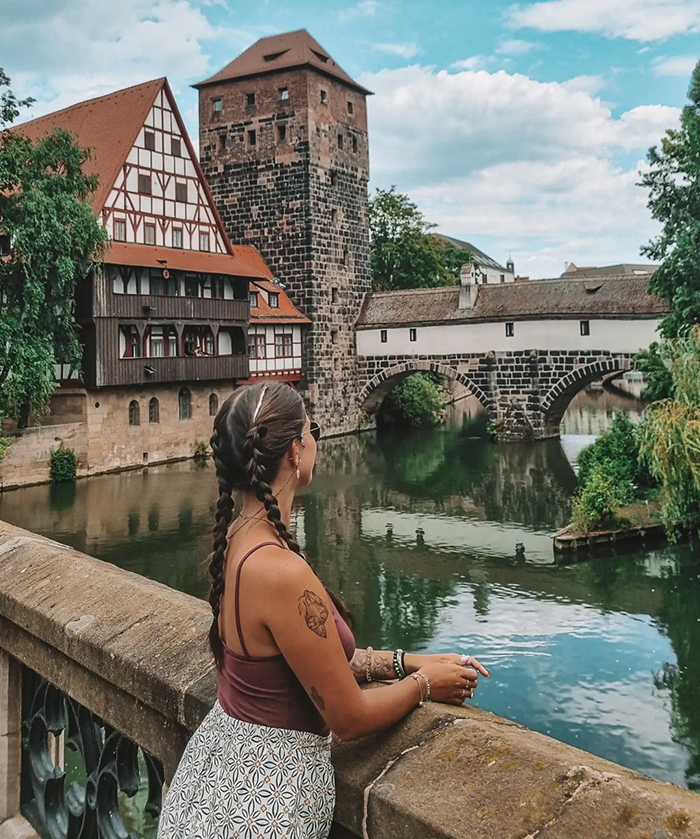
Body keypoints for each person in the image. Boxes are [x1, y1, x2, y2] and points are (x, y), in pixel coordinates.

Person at [158, 381, 489, 838]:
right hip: (269, 798)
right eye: (311, 430)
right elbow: (349, 719)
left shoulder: (238, 536)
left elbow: (302, 662)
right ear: (295, 450)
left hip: (219, 772)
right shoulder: (280, 571)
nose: (315, 439)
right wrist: (424, 685)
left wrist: (404, 661)